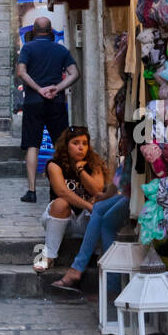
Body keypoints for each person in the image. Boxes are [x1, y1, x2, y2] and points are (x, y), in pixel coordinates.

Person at [16, 17, 80, 203]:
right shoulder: (60, 50)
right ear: (51, 30)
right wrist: (57, 88)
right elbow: (75, 73)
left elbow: (21, 72)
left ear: (34, 31)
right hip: (56, 101)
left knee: (32, 145)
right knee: (60, 145)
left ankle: (32, 190)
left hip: (34, 101)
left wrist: (38, 89)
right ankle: (63, 187)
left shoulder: (28, 49)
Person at [51, 149, 132, 291]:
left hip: (141, 196)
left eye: (124, 137)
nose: (121, 142)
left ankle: (109, 283)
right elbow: (120, 177)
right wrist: (105, 196)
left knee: (107, 222)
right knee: (99, 208)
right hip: (128, 195)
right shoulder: (133, 149)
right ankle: (79, 268)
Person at [32, 126, 107, 272]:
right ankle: (49, 256)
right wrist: (88, 205)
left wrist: (81, 171)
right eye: (76, 143)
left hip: (86, 220)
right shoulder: (54, 165)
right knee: (61, 203)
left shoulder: (94, 164)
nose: (81, 148)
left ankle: (99, 254)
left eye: (84, 143)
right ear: (66, 145)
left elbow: (97, 190)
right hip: (62, 219)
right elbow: (62, 191)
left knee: (99, 202)